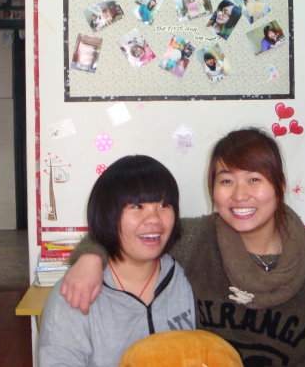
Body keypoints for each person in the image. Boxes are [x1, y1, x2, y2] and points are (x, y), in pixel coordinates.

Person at [61, 128, 305, 366]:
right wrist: (90, 257)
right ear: (213, 190)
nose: (240, 195)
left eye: (254, 179)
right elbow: (131, 232)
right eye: (227, 181)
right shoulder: (197, 238)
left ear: (279, 186)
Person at [39, 155, 195, 367]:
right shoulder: (76, 292)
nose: (154, 219)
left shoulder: (187, 276)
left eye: (164, 205)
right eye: (137, 206)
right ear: (108, 214)